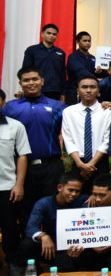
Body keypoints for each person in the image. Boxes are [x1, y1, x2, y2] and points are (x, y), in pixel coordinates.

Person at [4, 67, 66, 204]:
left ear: (42, 81)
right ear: (20, 83)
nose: (31, 83)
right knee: (24, 210)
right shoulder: (10, 107)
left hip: (51, 166)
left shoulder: (58, 106)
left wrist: (105, 104)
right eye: (26, 80)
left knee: (52, 210)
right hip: (20, 168)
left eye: (35, 79)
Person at [19, 174, 88, 272]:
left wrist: (94, 197)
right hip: (49, 246)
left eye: (77, 191)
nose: (74, 194)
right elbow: (31, 227)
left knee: (65, 267)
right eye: (70, 190)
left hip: (69, 248)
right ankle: (36, 273)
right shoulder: (43, 203)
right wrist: (43, 236)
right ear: (60, 187)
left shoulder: (82, 200)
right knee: (27, 244)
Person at [62, 76, 111, 184]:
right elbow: (68, 139)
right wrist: (80, 164)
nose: (88, 90)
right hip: (77, 162)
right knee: (76, 197)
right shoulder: (69, 112)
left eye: (93, 87)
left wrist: (91, 164)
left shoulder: (108, 111)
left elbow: (107, 140)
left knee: (100, 198)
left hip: (100, 161)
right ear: (78, 91)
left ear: (98, 90)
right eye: (84, 87)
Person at [0, 91, 31, 276]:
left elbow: (22, 155)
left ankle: (13, 262)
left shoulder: (15, 126)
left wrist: (19, 184)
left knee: (9, 227)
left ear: (3, 102)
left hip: (6, 186)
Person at [22, 24, 66, 101]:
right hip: (36, 89)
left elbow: (62, 74)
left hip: (55, 91)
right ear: (42, 34)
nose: (51, 36)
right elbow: (26, 71)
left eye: (54, 34)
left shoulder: (60, 52)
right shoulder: (32, 50)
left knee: (54, 113)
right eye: (48, 33)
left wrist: (63, 93)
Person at [65, 31, 100, 104]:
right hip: (75, 91)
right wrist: (97, 80)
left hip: (90, 91)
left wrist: (100, 71)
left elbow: (97, 72)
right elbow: (80, 71)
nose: (87, 43)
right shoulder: (73, 57)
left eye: (89, 41)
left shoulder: (93, 58)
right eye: (85, 41)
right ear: (77, 42)